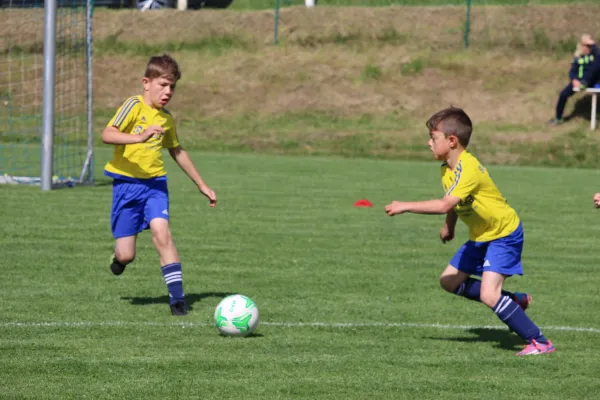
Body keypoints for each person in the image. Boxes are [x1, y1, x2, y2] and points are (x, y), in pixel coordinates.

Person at [384, 107, 555, 356]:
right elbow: (453, 203)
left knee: (488, 294)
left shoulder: (468, 168)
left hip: (503, 233)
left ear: (452, 140)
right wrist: (448, 226)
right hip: (481, 236)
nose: (429, 142)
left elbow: (444, 204)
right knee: (449, 281)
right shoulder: (447, 169)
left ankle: (540, 342)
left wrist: (405, 206)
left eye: (434, 138)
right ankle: (514, 302)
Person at [101, 54, 216, 316]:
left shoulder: (166, 119)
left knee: (162, 234)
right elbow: (107, 134)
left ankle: (178, 301)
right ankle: (118, 259)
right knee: (126, 255)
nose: (168, 92)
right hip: (127, 186)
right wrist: (140, 137)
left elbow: (177, 151)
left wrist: (202, 184)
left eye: (172, 87)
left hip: (155, 185)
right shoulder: (133, 105)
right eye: (163, 85)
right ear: (146, 82)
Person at [548, 34, 600, 125]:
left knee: (594, 68)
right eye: (585, 46)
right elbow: (572, 71)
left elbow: (598, 59)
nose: (587, 48)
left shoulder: (595, 56)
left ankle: (585, 81)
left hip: (593, 81)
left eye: (589, 46)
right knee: (563, 94)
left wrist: (593, 44)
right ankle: (558, 118)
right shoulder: (578, 57)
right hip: (578, 82)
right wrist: (574, 80)